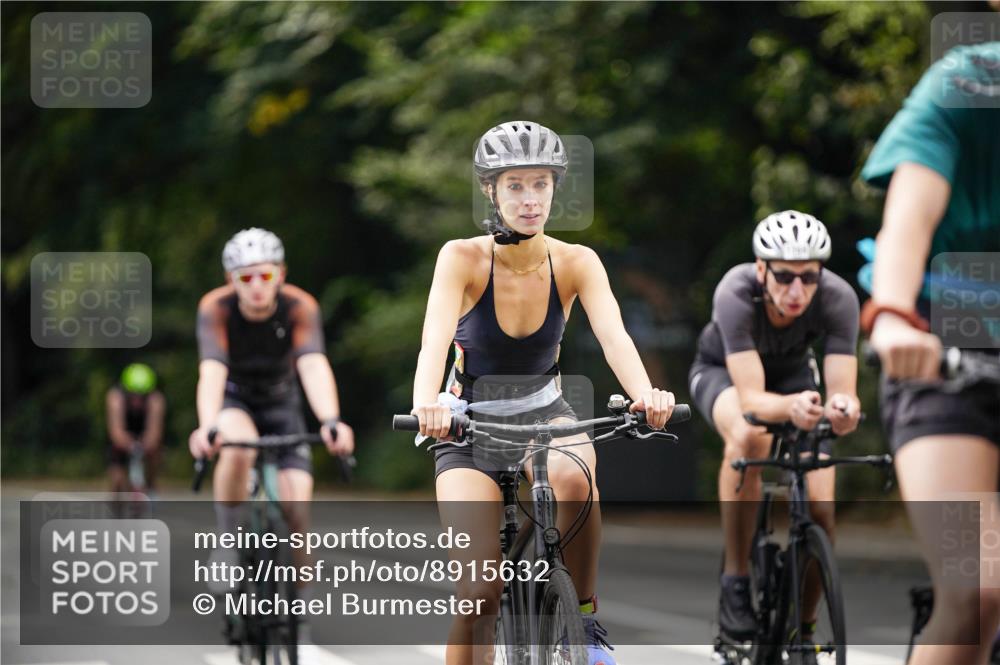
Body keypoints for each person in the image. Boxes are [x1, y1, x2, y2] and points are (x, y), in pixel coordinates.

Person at [410, 120, 676, 665]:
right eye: (515, 185)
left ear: (556, 187)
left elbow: (614, 337)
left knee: (576, 476)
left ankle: (583, 617)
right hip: (468, 427)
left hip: (544, 415)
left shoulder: (577, 262)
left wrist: (647, 393)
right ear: (491, 190)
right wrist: (427, 403)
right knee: (480, 595)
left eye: (541, 184)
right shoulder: (460, 258)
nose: (530, 199)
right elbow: (432, 340)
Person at [861, 40, 1000, 665]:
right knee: (977, 589)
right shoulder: (968, 83)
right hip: (947, 348)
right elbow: (909, 221)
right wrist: (892, 316)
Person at [688, 211, 861, 650]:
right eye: (784, 277)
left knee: (822, 506)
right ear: (762, 269)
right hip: (724, 375)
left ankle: (802, 630)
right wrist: (793, 409)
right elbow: (752, 402)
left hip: (795, 381)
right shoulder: (735, 292)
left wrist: (844, 410)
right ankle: (736, 580)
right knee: (750, 437)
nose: (797, 290)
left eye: (809, 276)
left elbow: (844, 394)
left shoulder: (839, 298)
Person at [187, 227, 355, 662]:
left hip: (282, 403)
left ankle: (300, 626)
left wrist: (331, 421)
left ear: (281, 274)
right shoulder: (215, 308)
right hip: (235, 398)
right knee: (237, 445)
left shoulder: (300, 306)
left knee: (298, 512)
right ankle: (228, 542)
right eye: (245, 279)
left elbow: (313, 363)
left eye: (264, 276)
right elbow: (211, 371)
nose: (257, 287)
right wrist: (207, 427)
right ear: (230, 281)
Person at [106, 362, 165, 494]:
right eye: (133, 396)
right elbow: (116, 432)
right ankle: (117, 502)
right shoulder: (115, 398)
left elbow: (155, 432)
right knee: (117, 480)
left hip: (144, 432)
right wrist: (130, 445)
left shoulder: (156, 400)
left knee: (155, 454)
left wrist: (146, 445)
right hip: (122, 434)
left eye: (142, 396)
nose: (137, 401)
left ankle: (150, 486)